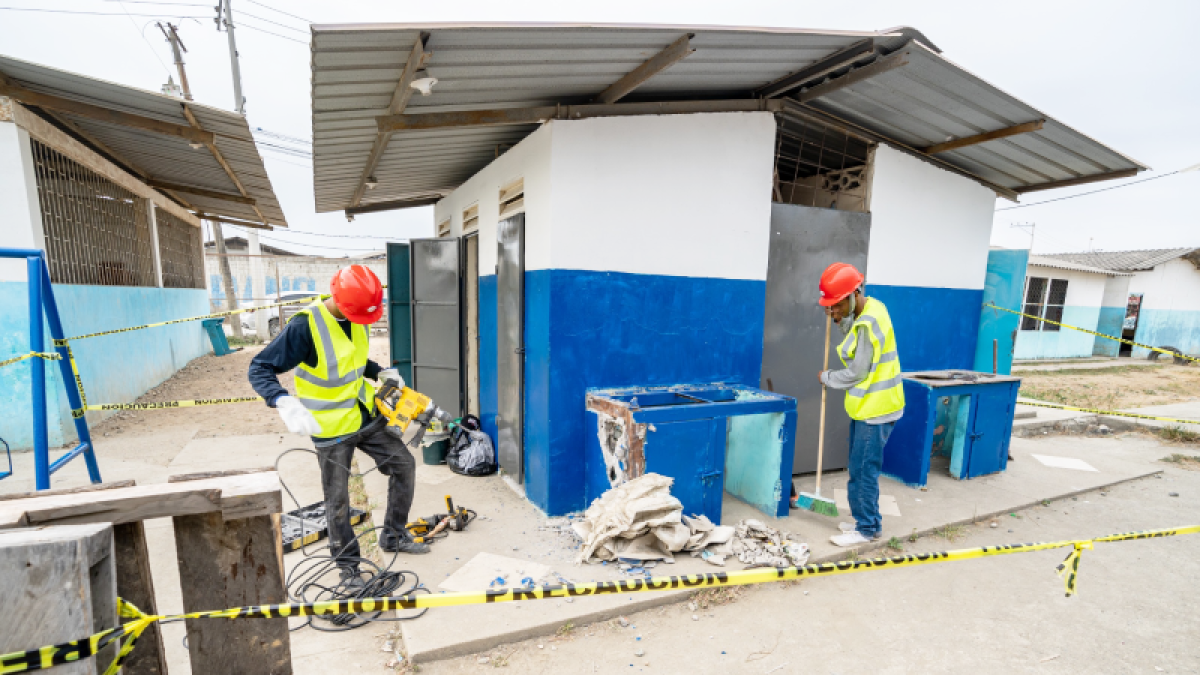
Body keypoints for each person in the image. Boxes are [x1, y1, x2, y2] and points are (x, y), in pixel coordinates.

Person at [248, 265, 429, 582]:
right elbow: (259, 367)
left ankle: (394, 536)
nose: (362, 321)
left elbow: (353, 360)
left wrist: (380, 372)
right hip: (328, 427)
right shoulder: (305, 326)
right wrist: (282, 400)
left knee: (404, 465)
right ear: (340, 300)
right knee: (338, 499)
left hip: (361, 414)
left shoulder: (358, 317)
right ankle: (348, 569)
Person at [814, 262, 905, 547]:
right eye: (829, 307)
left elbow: (857, 372)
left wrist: (827, 377)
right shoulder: (871, 307)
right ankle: (869, 522)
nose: (832, 312)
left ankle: (865, 529)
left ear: (855, 294)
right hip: (869, 407)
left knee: (863, 472)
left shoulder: (867, 323)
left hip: (875, 409)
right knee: (859, 469)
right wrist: (843, 320)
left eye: (837, 305)